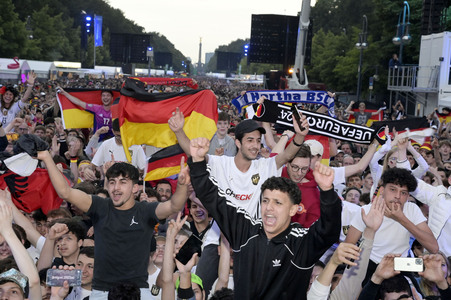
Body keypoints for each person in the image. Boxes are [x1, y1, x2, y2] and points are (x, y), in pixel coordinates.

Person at [187, 137, 341, 300]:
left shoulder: (301, 242)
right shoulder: (245, 231)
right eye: (265, 200)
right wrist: (197, 161)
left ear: (293, 210)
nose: (269, 208)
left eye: (278, 202)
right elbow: (212, 199)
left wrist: (327, 191)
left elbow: (329, 231)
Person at [36, 150, 190, 299]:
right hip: (102, 292)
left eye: (123, 182)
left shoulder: (145, 210)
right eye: (112, 182)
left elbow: (174, 206)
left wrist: (182, 185)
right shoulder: (99, 206)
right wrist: (47, 158)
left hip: (138, 292)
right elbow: (65, 192)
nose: (116, 188)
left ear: (135, 188)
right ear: (107, 186)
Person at [345, 168, 439, 282]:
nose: (397, 196)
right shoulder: (366, 211)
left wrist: (401, 219)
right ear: (383, 190)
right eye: (393, 189)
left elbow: (433, 247)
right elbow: (347, 248)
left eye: (403, 192)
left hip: (401, 265)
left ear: (408, 195)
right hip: (368, 264)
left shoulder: (412, 209)